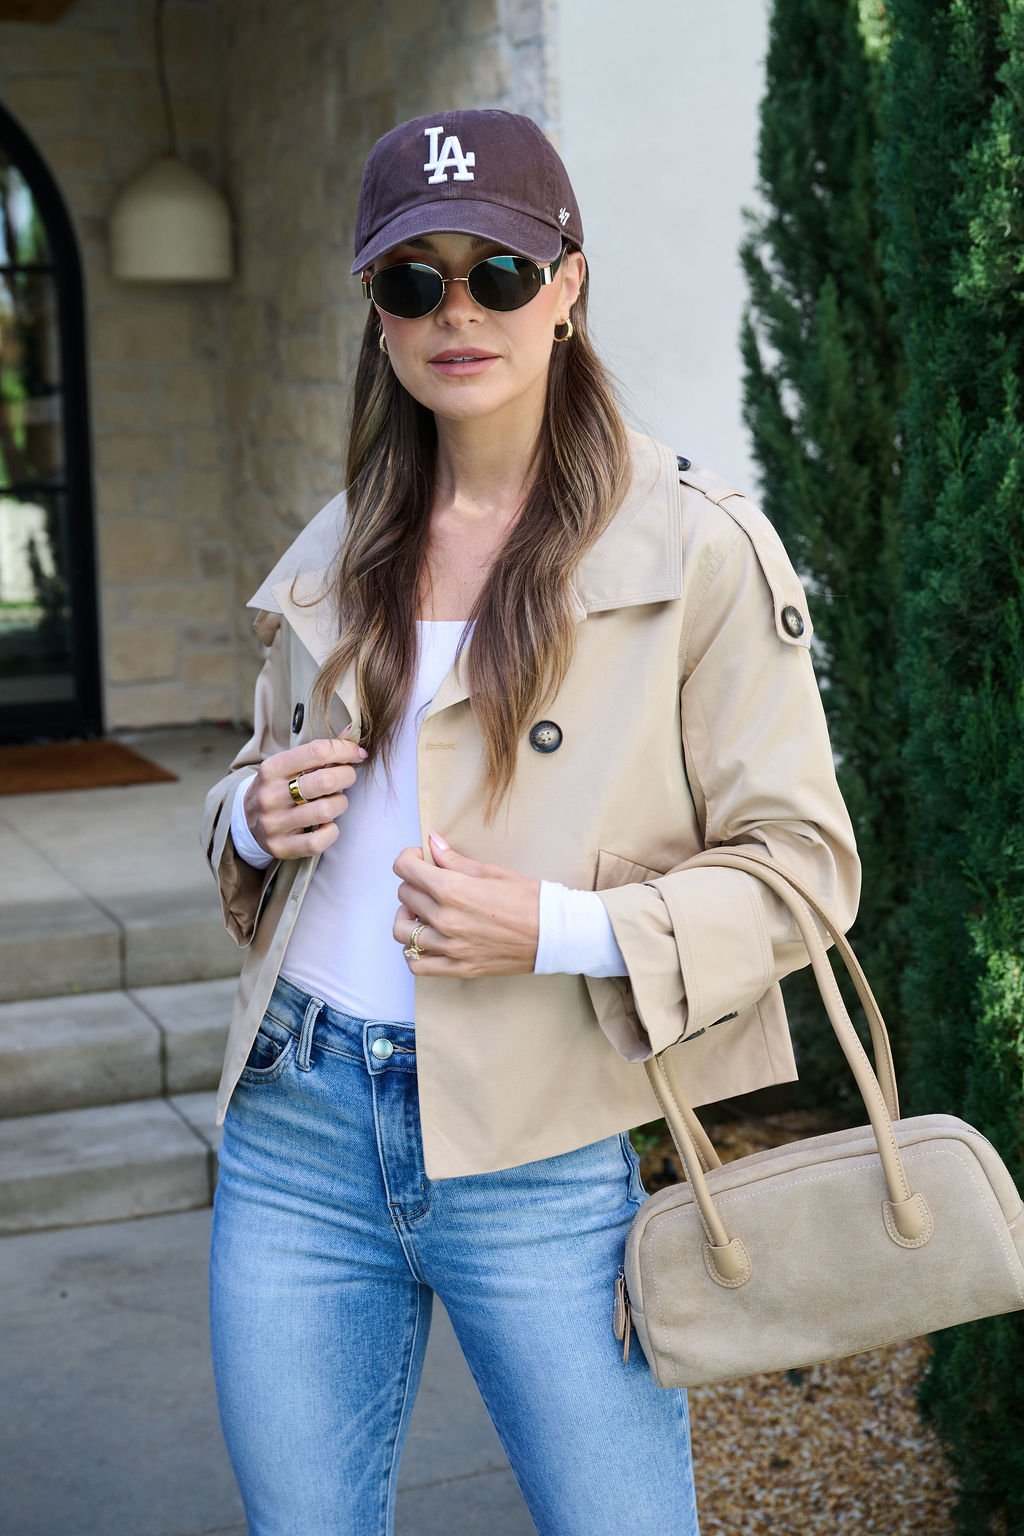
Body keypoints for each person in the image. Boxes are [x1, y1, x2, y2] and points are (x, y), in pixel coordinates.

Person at [199, 108, 861, 1536]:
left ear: (568, 287)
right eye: (412, 279)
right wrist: (252, 819)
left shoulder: (696, 550)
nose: (459, 310)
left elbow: (808, 871)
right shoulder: (345, 540)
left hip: (543, 1143)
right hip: (297, 1129)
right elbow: (251, 797)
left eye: (498, 271)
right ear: (376, 314)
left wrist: (557, 929)